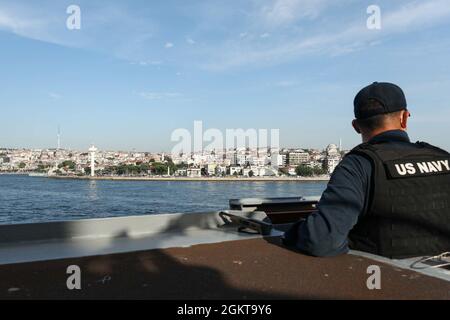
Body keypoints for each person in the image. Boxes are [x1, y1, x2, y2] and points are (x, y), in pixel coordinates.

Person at [283, 82, 450, 259]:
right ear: (404, 118)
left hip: (382, 280)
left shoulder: (359, 164)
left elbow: (322, 240)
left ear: (356, 126)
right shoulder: (443, 157)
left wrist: (292, 232)